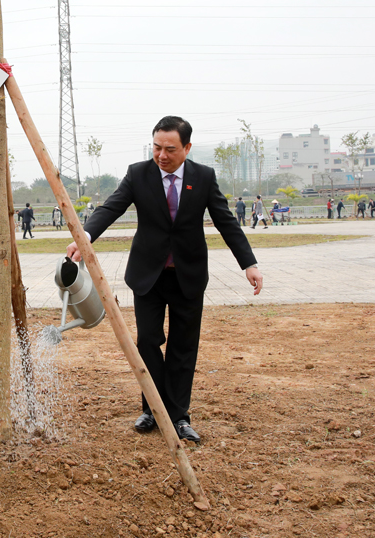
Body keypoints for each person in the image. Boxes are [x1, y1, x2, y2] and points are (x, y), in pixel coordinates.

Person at [66, 116, 262, 443]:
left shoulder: (203, 177)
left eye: (170, 149)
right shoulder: (138, 174)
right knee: (148, 342)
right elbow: (110, 207)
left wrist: (249, 263)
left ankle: (179, 415)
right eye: (157, 147)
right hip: (148, 276)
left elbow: (226, 221)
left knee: (183, 348)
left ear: (186, 147)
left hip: (188, 275)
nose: (162, 155)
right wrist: (85, 235)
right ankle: (152, 409)